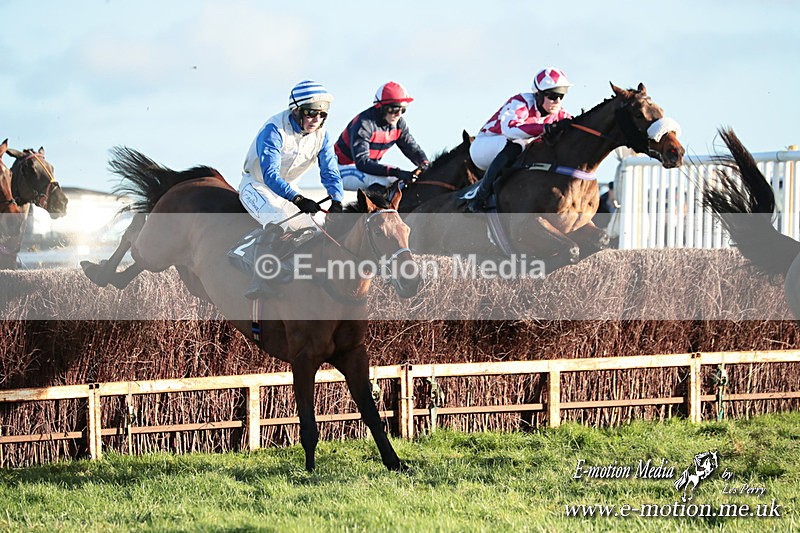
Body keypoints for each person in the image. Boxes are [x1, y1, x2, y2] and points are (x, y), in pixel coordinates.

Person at [239, 79, 344, 299]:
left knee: (314, 229)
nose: (317, 120)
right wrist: (297, 199)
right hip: (257, 185)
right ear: (296, 111)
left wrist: (336, 199)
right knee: (277, 220)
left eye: (322, 115)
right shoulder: (274, 130)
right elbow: (270, 176)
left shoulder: (322, 135)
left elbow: (330, 170)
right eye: (311, 113)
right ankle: (259, 279)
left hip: (289, 188)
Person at [466, 67, 574, 212]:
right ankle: (480, 197)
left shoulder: (560, 114)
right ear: (539, 95)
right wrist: (544, 127)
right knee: (518, 144)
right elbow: (510, 130)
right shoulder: (521, 102)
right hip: (483, 147)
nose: (557, 101)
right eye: (553, 96)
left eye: (562, 96)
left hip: (506, 148)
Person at [335, 81, 430, 194]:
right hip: (339, 169)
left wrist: (425, 164)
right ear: (381, 107)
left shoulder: (399, 124)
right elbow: (362, 163)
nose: (398, 114)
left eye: (403, 109)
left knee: (401, 182)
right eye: (394, 109)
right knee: (386, 180)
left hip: (366, 168)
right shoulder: (364, 124)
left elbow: (412, 148)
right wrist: (397, 172)